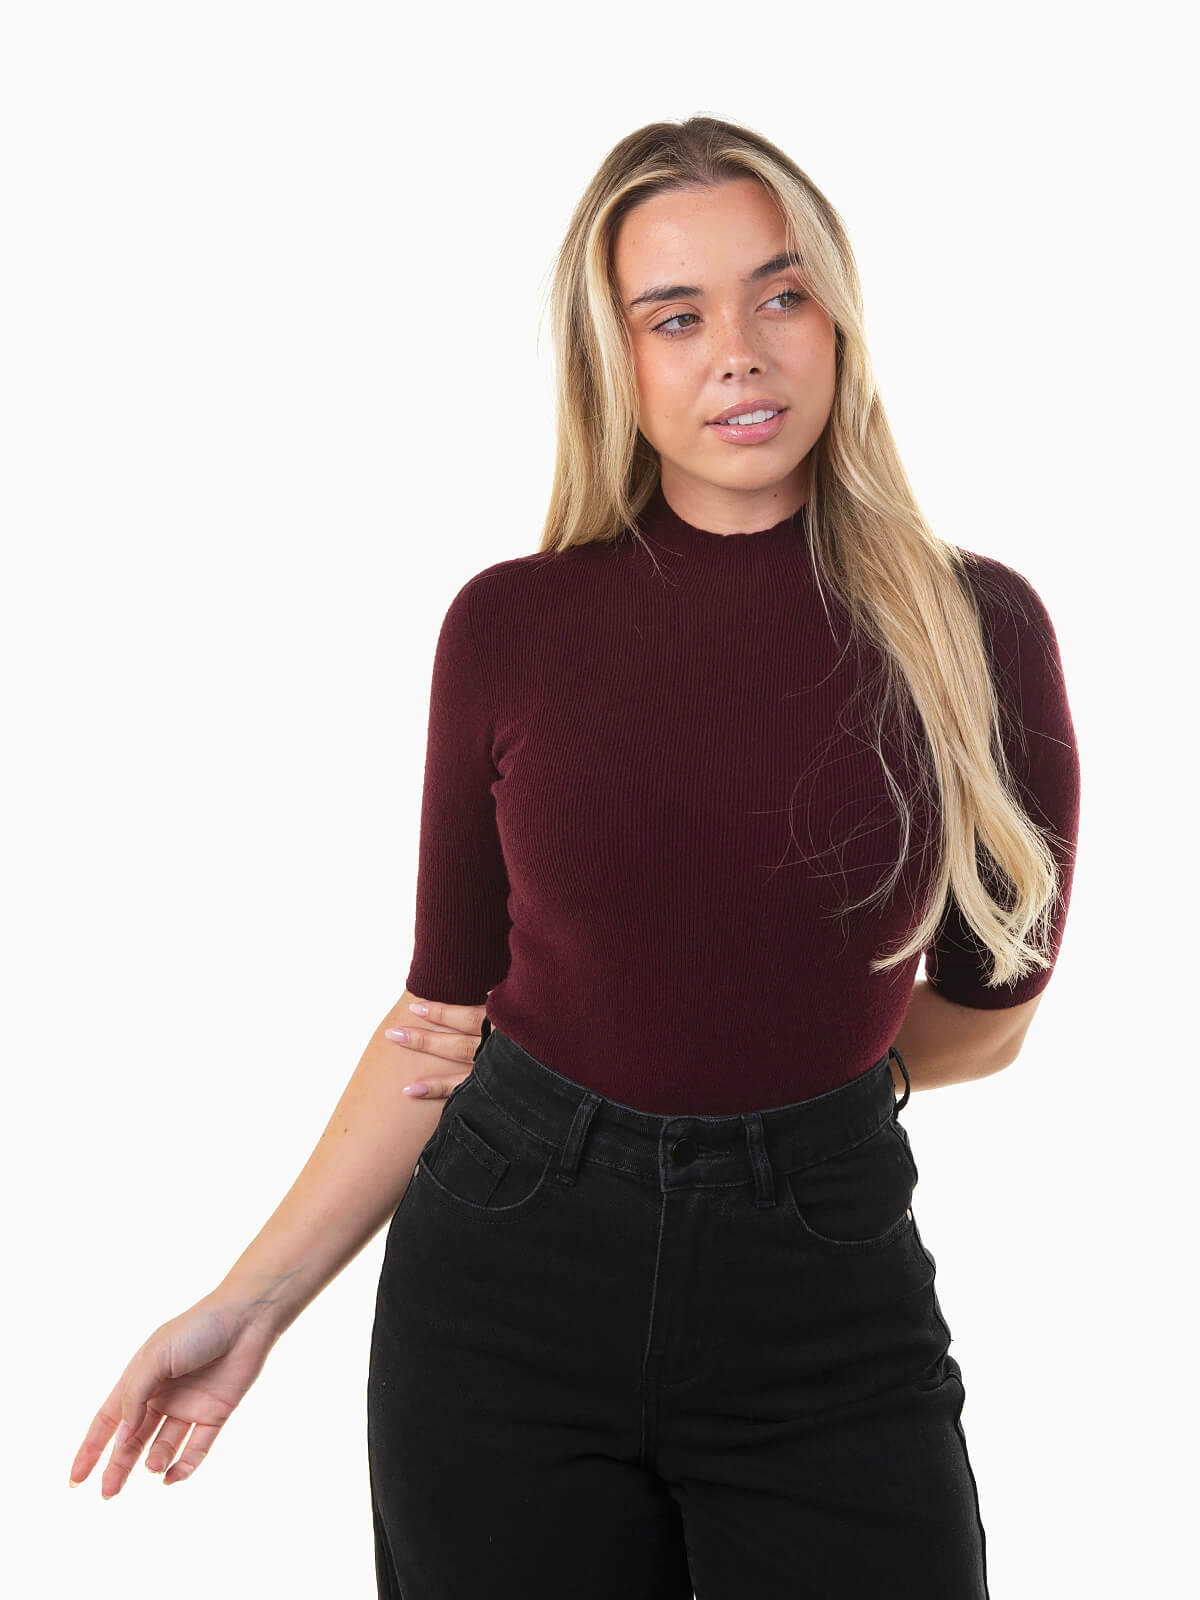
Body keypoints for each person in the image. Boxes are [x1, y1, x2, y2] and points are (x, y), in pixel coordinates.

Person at [69, 117, 1080, 1599]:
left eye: (780, 294)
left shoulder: (978, 629)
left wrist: (783, 1098)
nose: (739, 353)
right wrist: (252, 1303)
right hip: (505, 1290)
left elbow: (990, 1016)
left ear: (838, 317)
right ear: (614, 359)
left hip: (824, 1292)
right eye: (676, 317)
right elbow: (444, 1021)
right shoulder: (513, 628)